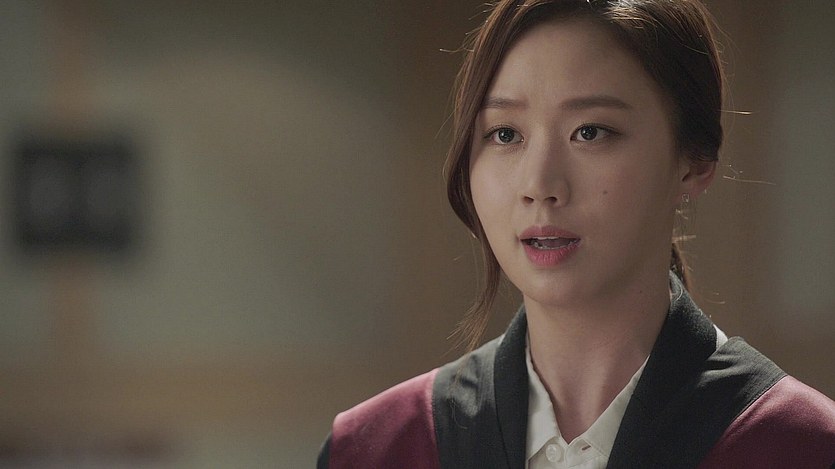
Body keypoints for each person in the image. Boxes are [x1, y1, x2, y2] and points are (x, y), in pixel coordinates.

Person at [318, 0, 835, 467]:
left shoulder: (798, 445)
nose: (540, 185)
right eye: (505, 134)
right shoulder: (379, 448)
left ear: (694, 161)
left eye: (590, 132)